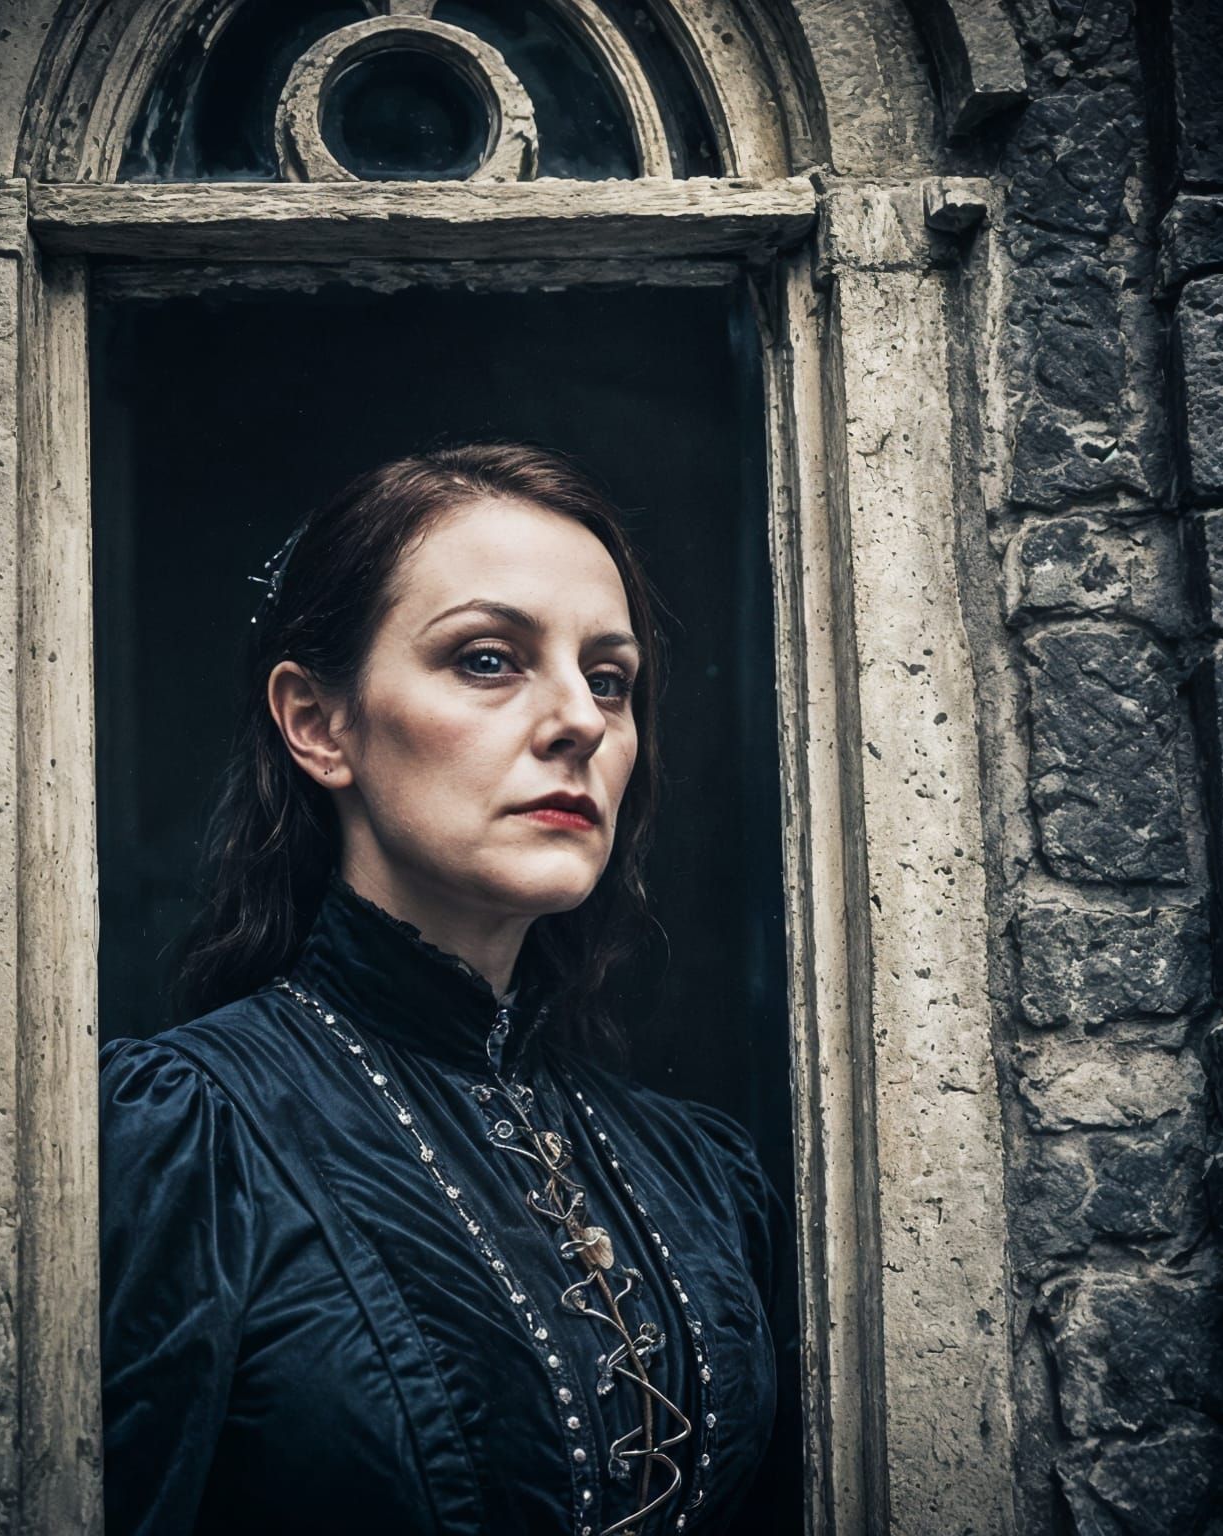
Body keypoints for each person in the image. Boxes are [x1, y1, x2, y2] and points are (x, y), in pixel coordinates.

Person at [98, 443, 800, 1535]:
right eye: (487, 658)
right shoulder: (186, 1136)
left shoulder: (706, 1176)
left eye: (610, 680)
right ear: (318, 724)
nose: (580, 720)